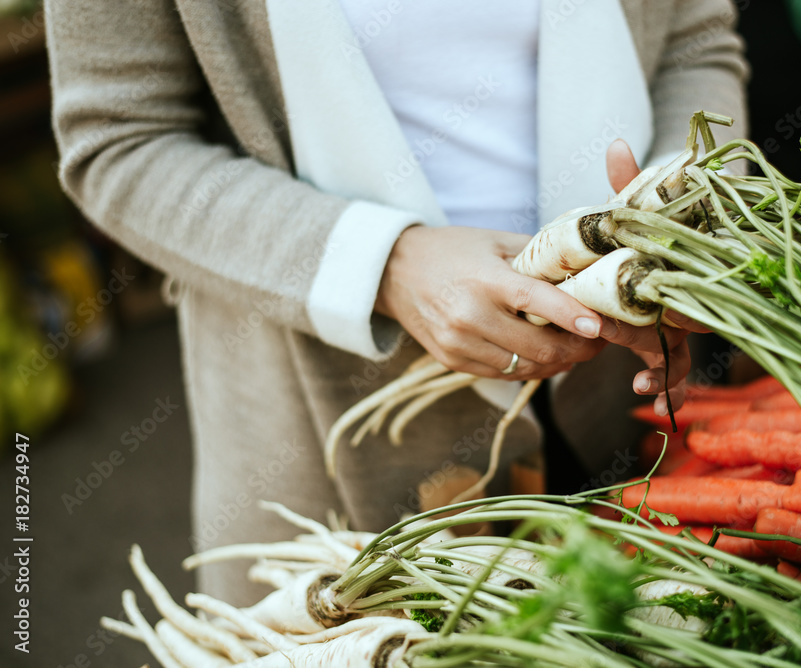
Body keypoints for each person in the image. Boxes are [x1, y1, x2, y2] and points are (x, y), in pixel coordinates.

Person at [45, 1, 748, 605]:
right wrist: (384, 264)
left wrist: (683, 219)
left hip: (621, 391)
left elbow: (695, 40)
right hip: (326, 434)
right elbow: (119, 144)